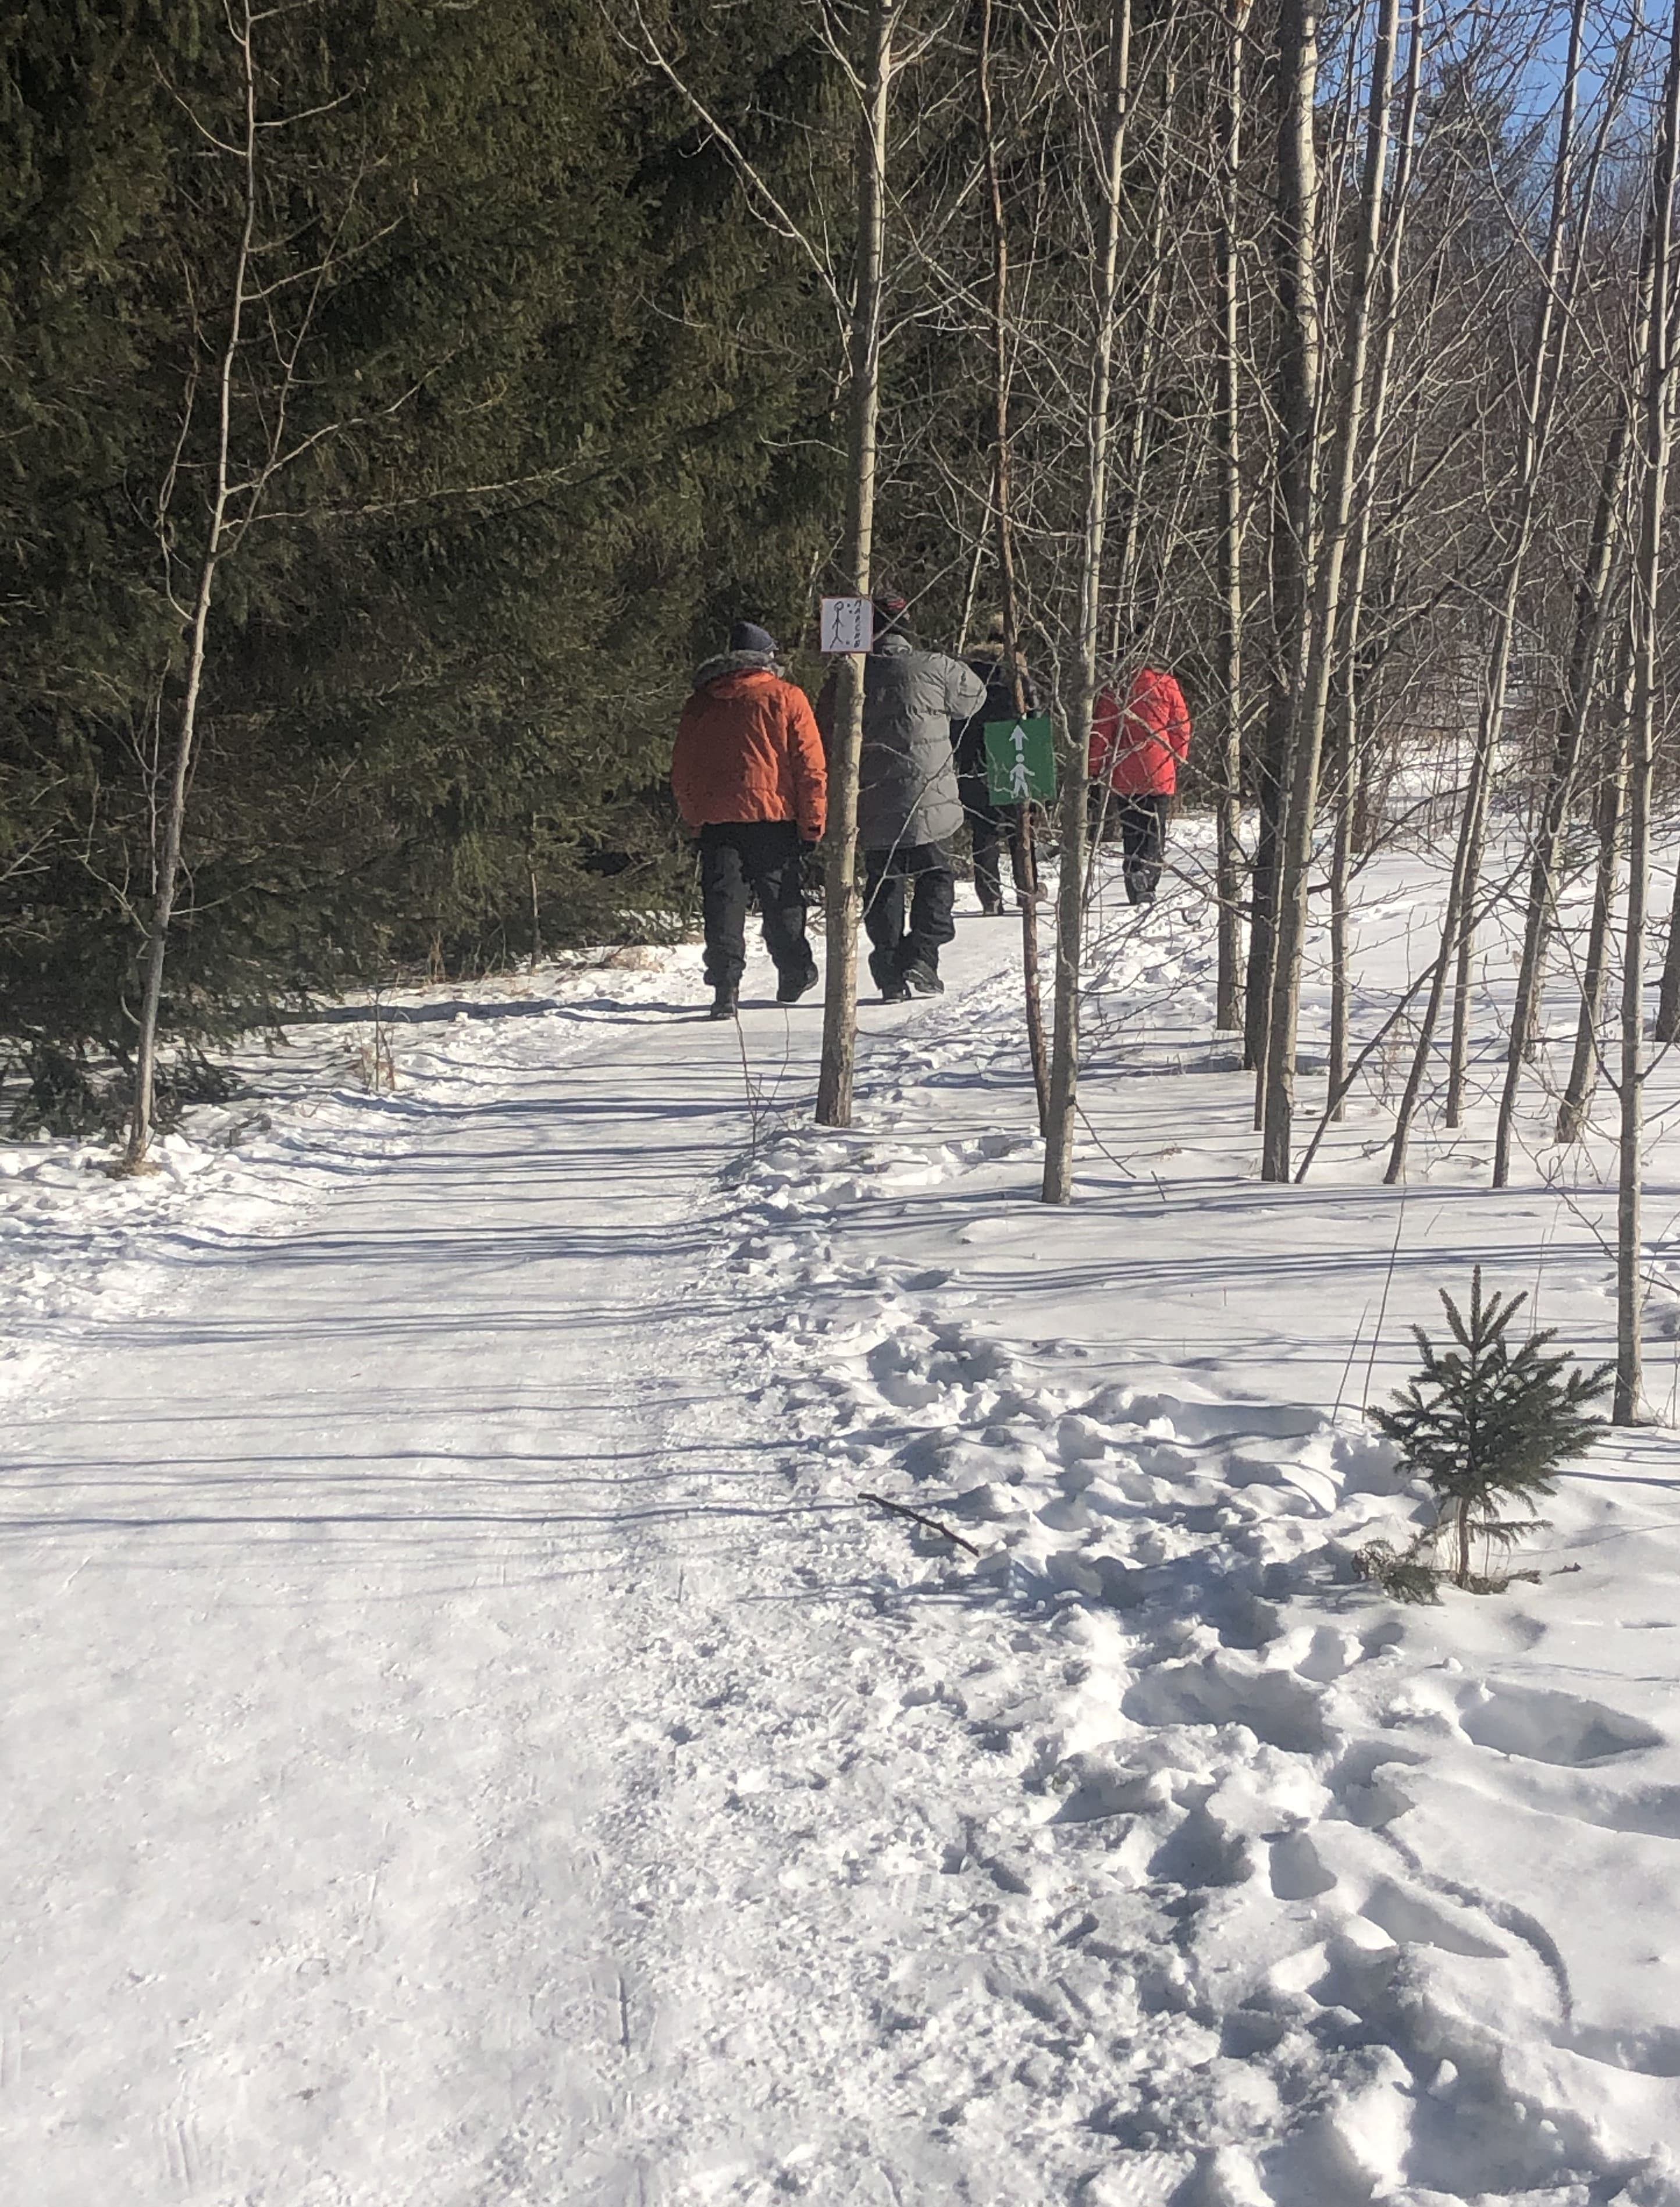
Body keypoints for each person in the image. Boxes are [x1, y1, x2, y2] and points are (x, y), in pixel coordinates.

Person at [823, 592, 987, 1001]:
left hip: (872, 798)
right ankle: (923, 954)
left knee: (884, 882)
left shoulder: (851, 676)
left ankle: (890, 970)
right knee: (936, 875)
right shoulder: (934, 667)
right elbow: (976, 698)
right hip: (928, 795)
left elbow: (826, 721)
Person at [671, 619, 827, 1020]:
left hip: (717, 821)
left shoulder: (701, 703)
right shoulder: (787, 697)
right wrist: (813, 820)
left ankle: (725, 988)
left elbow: (684, 767)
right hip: (774, 817)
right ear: (766, 657)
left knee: (723, 904)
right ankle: (794, 971)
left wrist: (694, 817)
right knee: (782, 899)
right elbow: (810, 765)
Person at [951, 613, 1037, 916]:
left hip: (974, 750)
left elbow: (957, 715)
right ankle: (1027, 890)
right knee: (1021, 827)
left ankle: (990, 897)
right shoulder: (1017, 671)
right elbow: (1033, 713)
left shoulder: (967, 670)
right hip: (1014, 748)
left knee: (984, 829)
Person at [1088, 661, 1193, 906]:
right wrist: (1176, 758)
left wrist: (1095, 769)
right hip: (1159, 770)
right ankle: (1148, 873)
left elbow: (1102, 731)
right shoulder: (1167, 684)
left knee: (1131, 833)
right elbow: (1181, 727)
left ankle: (1135, 884)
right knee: (1155, 832)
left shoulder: (1116, 686)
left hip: (1125, 773)